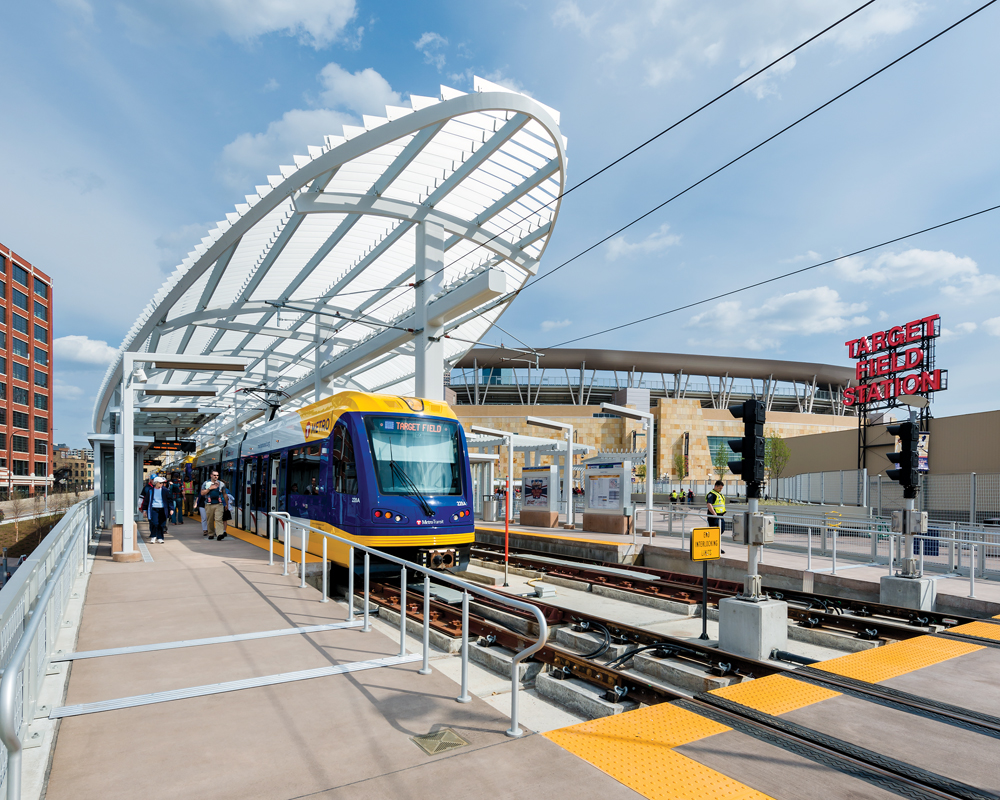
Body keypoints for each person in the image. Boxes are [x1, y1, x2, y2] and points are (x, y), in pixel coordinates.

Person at [139, 476, 173, 543]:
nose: (162, 484)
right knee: (154, 523)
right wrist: (144, 510)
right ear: (156, 483)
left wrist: (171, 509)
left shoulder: (165, 490)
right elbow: (146, 500)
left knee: (162, 524)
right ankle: (153, 536)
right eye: (160, 483)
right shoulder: (150, 490)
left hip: (163, 509)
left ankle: (160, 537)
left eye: (162, 483)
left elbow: (170, 500)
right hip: (154, 508)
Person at [200, 470, 229, 540]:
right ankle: (211, 533)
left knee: (218, 519)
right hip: (209, 504)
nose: (216, 477)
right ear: (211, 475)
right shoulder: (206, 483)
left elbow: (224, 494)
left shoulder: (221, 484)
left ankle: (219, 534)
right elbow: (202, 493)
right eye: (214, 475)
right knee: (210, 520)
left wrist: (226, 504)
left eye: (217, 475)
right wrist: (210, 488)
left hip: (219, 504)